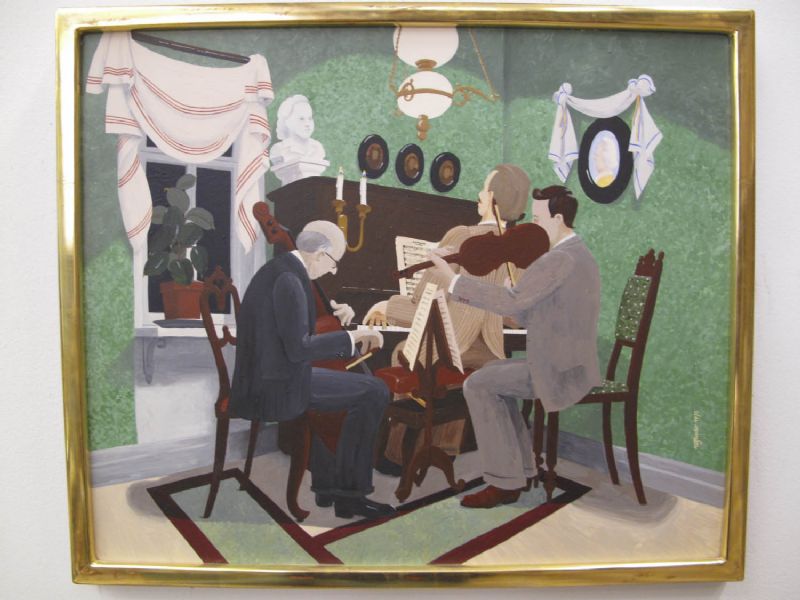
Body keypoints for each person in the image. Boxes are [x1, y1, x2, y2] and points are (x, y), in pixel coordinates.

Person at [428, 185, 601, 509]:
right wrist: (516, 299)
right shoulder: (577, 254)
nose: (532, 227)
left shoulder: (560, 258)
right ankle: (521, 470)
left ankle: (504, 482)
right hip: (568, 363)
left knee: (478, 384)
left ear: (558, 219)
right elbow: (534, 312)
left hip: (558, 370)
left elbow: (514, 304)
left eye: (537, 218)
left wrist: (454, 281)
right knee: (494, 372)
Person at [229, 220, 394, 520]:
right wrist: (353, 337)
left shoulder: (282, 270)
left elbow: (291, 333)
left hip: (269, 377)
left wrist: (338, 317)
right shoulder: (290, 280)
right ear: (318, 254)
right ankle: (351, 497)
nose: (333, 271)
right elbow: (299, 349)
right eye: (333, 263)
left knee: (343, 388)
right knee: (376, 391)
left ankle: (327, 485)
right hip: (276, 387)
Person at [364, 164, 531, 369]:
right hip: (490, 356)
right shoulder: (520, 249)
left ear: (493, 199)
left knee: (401, 351)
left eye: (484, 189)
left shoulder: (462, 236)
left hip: (452, 353)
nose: (479, 194)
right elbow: (515, 317)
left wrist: (386, 307)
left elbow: (426, 306)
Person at [269, 94, 326, 166]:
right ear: (287, 122)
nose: (307, 124)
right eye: (301, 119)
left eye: (310, 118)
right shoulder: (279, 150)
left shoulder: (318, 148)